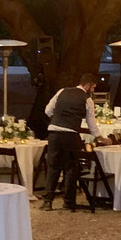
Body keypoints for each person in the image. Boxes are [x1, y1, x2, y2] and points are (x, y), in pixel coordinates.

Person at [41, 73, 110, 210]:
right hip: (71, 135)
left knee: (53, 167)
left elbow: (48, 110)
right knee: (71, 168)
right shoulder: (87, 100)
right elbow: (91, 124)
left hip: (54, 133)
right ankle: (68, 201)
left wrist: (59, 119)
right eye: (93, 87)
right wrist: (101, 139)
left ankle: (48, 202)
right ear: (88, 85)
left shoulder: (62, 91)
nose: (93, 90)